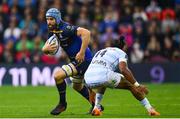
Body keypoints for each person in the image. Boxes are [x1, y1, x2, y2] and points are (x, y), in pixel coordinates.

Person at [42, 8, 103, 115]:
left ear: (57, 18)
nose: (49, 22)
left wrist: (82, 52)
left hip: (84, 60)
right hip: (76, 61)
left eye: (51, 19)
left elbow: (87, 33)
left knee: (57, 76)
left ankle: (62, 104)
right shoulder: (52, 31)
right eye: (47, 19)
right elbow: (51, 50)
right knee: (77, 86)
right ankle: (96, 105)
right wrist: (45, 50)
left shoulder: (66, 28)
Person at [84, 36, 160, 116]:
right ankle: (150, 109)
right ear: (123, 47)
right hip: (103, 75)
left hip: (87, 78)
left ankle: (96, 108)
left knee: (103, 83)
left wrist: (90, 91)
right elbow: (123, 69)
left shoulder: (100, 51)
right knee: (131, 85)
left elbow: (93, 69)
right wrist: (137, 85)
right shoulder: (121, 52)